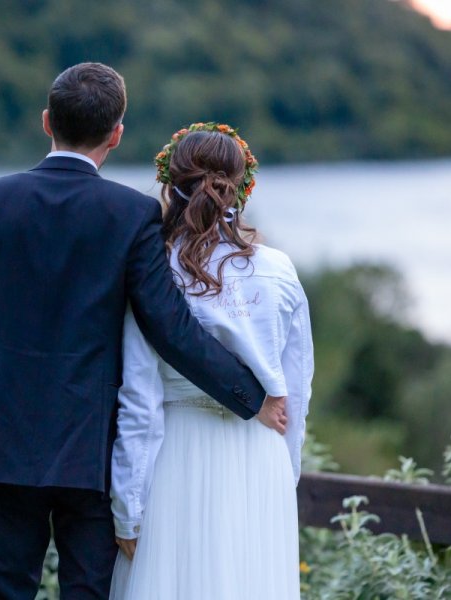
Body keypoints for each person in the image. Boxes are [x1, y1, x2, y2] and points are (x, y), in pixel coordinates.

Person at [0, 63, 288, 599]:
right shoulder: (132, 214)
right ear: (117, 134)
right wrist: (251, 397)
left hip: (1, 447)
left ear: (46, 122)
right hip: (90, 452)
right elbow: (170, 328)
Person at [109, 123, 314, 600]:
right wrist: (286, 477)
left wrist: (128, 509)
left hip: (175, 457)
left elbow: (138, 396)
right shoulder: (279, 269)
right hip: (260, 459)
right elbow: (296, 391)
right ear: (240, 186)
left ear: (171, 184)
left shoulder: (155, 267)